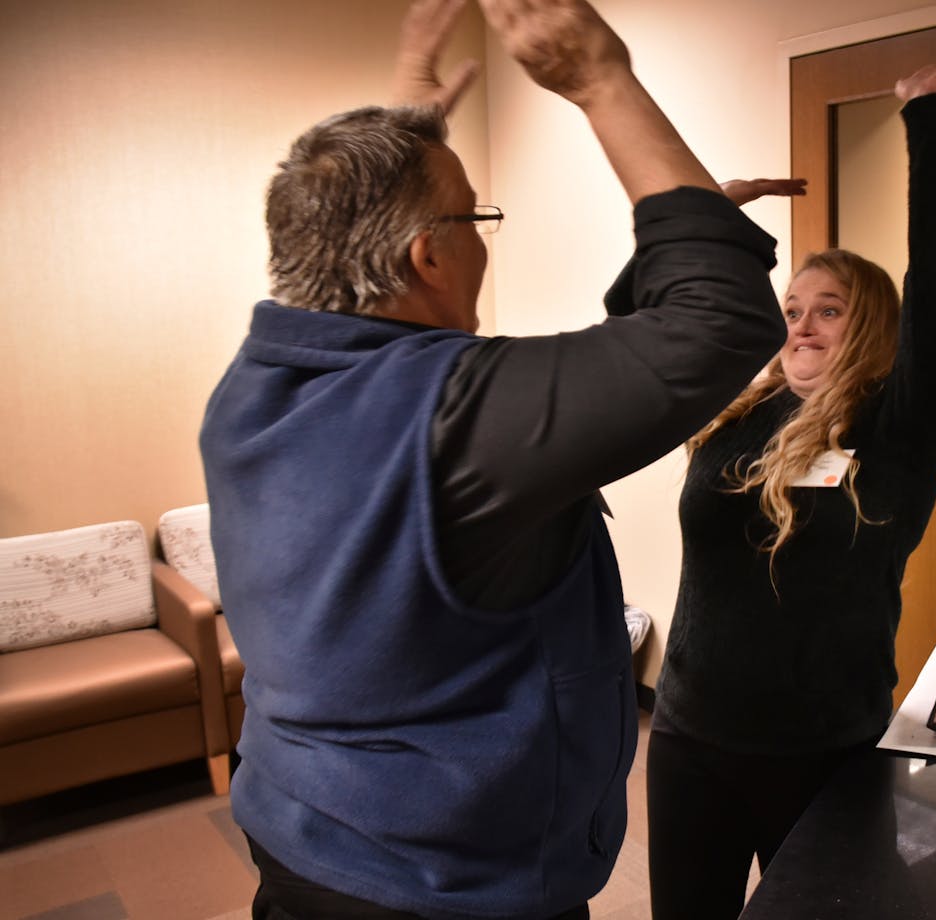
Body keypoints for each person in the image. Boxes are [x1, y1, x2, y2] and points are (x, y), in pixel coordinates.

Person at [199, 0, 786, 917]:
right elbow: (723, 320)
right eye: (476, 218)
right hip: (445, 888)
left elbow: (360, 237)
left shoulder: (256, 384)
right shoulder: (455, 412)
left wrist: (404, 118)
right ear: (430, 255)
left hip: (300, 845)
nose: (481, 236)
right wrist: (599, 76)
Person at [647, 61, 936, 920]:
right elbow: (653, 330)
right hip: (690, 739)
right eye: (792, 307)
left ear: (868, 323)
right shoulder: (740, 413)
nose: (799, 322)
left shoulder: (895, 424)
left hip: (824, 748)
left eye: (827, 309)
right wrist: (711, 221)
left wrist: (930, 119)